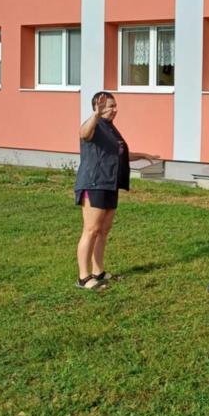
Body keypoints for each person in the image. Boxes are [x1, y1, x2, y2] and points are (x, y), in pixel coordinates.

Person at [74, 91, 130, 290]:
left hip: (110, 184)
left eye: (115, 106)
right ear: (98, 107)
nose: (114, 110)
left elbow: (116, 153)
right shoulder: (95, 124)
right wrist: (96, 115)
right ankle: (83, 278)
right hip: (94, 183)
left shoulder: (110, 128)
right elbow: (83, 133)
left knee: (103, 230)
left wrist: (143, 155)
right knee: (91, 230)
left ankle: (98, 271)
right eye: (110, 106)